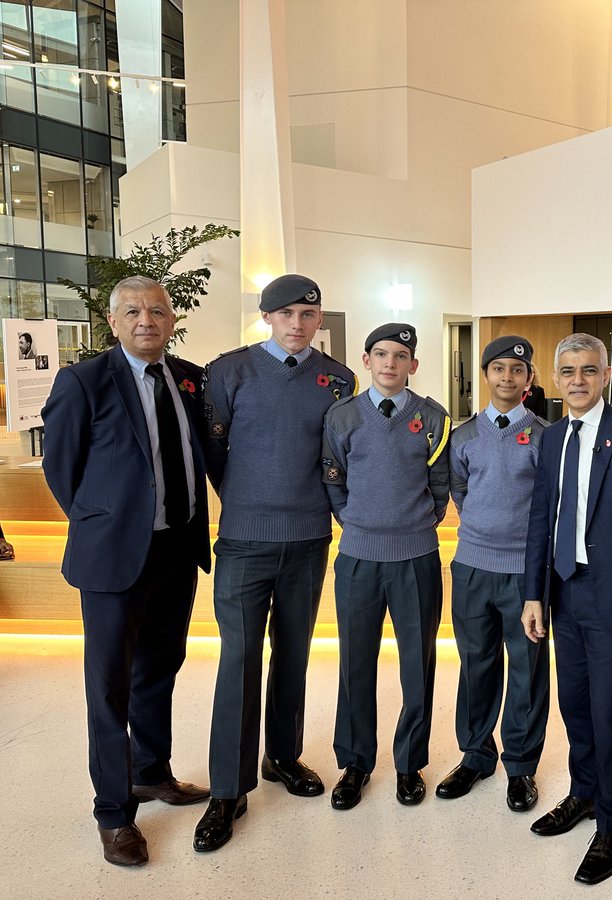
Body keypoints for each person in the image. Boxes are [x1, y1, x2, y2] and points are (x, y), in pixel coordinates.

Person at [41, 276, 212, 867]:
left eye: (158, 311)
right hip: (114, 556)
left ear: (171, 320)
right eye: (134, 311)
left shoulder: (188, 378)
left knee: (160, 669)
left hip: (175, 552)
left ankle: (151, 772)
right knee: (109, 685)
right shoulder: (83, 380)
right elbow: (62, 471)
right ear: (113, 321)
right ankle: (113, 813)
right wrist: (106, 522)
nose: (147, 320)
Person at [193, 274, 356, 852]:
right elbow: (214, 452)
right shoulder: (228, 371)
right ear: (267, 317)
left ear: (319, 320)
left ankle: (282, 757)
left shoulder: (337, 381)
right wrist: (248, 498)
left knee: (294, 651)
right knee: (239, 658)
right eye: (285, 313)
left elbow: (339, 455)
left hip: (308, 538)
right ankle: (227, 788)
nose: (296, 323)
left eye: (307, 315)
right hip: (243, 538)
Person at [521, 332, 612, 886]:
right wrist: (533, 593)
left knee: (609, 711)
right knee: (575, 703)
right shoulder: (553, 436)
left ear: (605, 376)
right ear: (555, 381)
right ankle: (583, 793)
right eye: (568, 371)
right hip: (563, 592)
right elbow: (542, 521)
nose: (578, 380)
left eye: (589, 370)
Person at [322, 323, 451, 811]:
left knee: (417, 663)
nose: (390, 363)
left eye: (401, 356)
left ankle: (409, 763)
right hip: (358, 558)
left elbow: (440, 485)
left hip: (416, 557)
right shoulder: (343, 416)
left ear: (413, 365)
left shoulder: (433, 417)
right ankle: (355, 763)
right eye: (381, 354)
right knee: (356, 662)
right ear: (366, 360)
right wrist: (358, 522)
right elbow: (333, 481)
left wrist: (416, 524)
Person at [435, 335, 549, 812]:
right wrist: (484, 528)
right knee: (476, 663)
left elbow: (550, 503)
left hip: (525, 573)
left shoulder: (546, 435)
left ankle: (520, 766)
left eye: (517, 370)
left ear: (528, 380)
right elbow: (460, 489)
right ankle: (476, 754)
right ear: (485, 375)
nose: (507, 377)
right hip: (472, 567)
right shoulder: (463, 435)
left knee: (526, 669)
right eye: (498, 368)